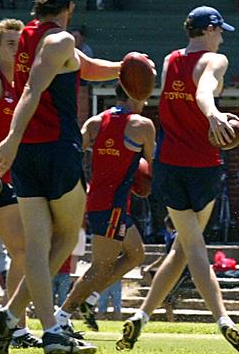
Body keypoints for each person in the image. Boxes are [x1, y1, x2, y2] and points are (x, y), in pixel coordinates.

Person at [0, 0, 126, 354]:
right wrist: (10, 138)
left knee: (38, 243)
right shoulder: (62, 39)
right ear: (70, 7)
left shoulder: (29, 36)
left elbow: (82, 66)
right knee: (66, 237)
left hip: (29, 155)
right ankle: (48, 330)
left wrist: (123, 67)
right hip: (56, 148)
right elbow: (33, 88)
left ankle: (13, 317)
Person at [115, 5, 239, 353]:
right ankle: (224, 320)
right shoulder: (214, 61)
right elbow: (203, 93)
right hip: (202, 165)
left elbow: (179, 97)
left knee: (181, 247)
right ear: (209, 30)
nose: (222, 37)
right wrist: (214, 117)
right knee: (194, 247)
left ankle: (142, 315)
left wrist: (210, 115)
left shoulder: (169, 59)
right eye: (220, 30)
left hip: (168, 165)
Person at [57, 84, 154, 333]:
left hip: (101, 200)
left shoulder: (95, 122)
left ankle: (90, 299)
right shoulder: (143, 126)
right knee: (101, 265)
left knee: (136, 254)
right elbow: (155, 167)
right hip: (112, 206)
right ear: (136, 93)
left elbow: (71, 154)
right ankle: (62, 317)